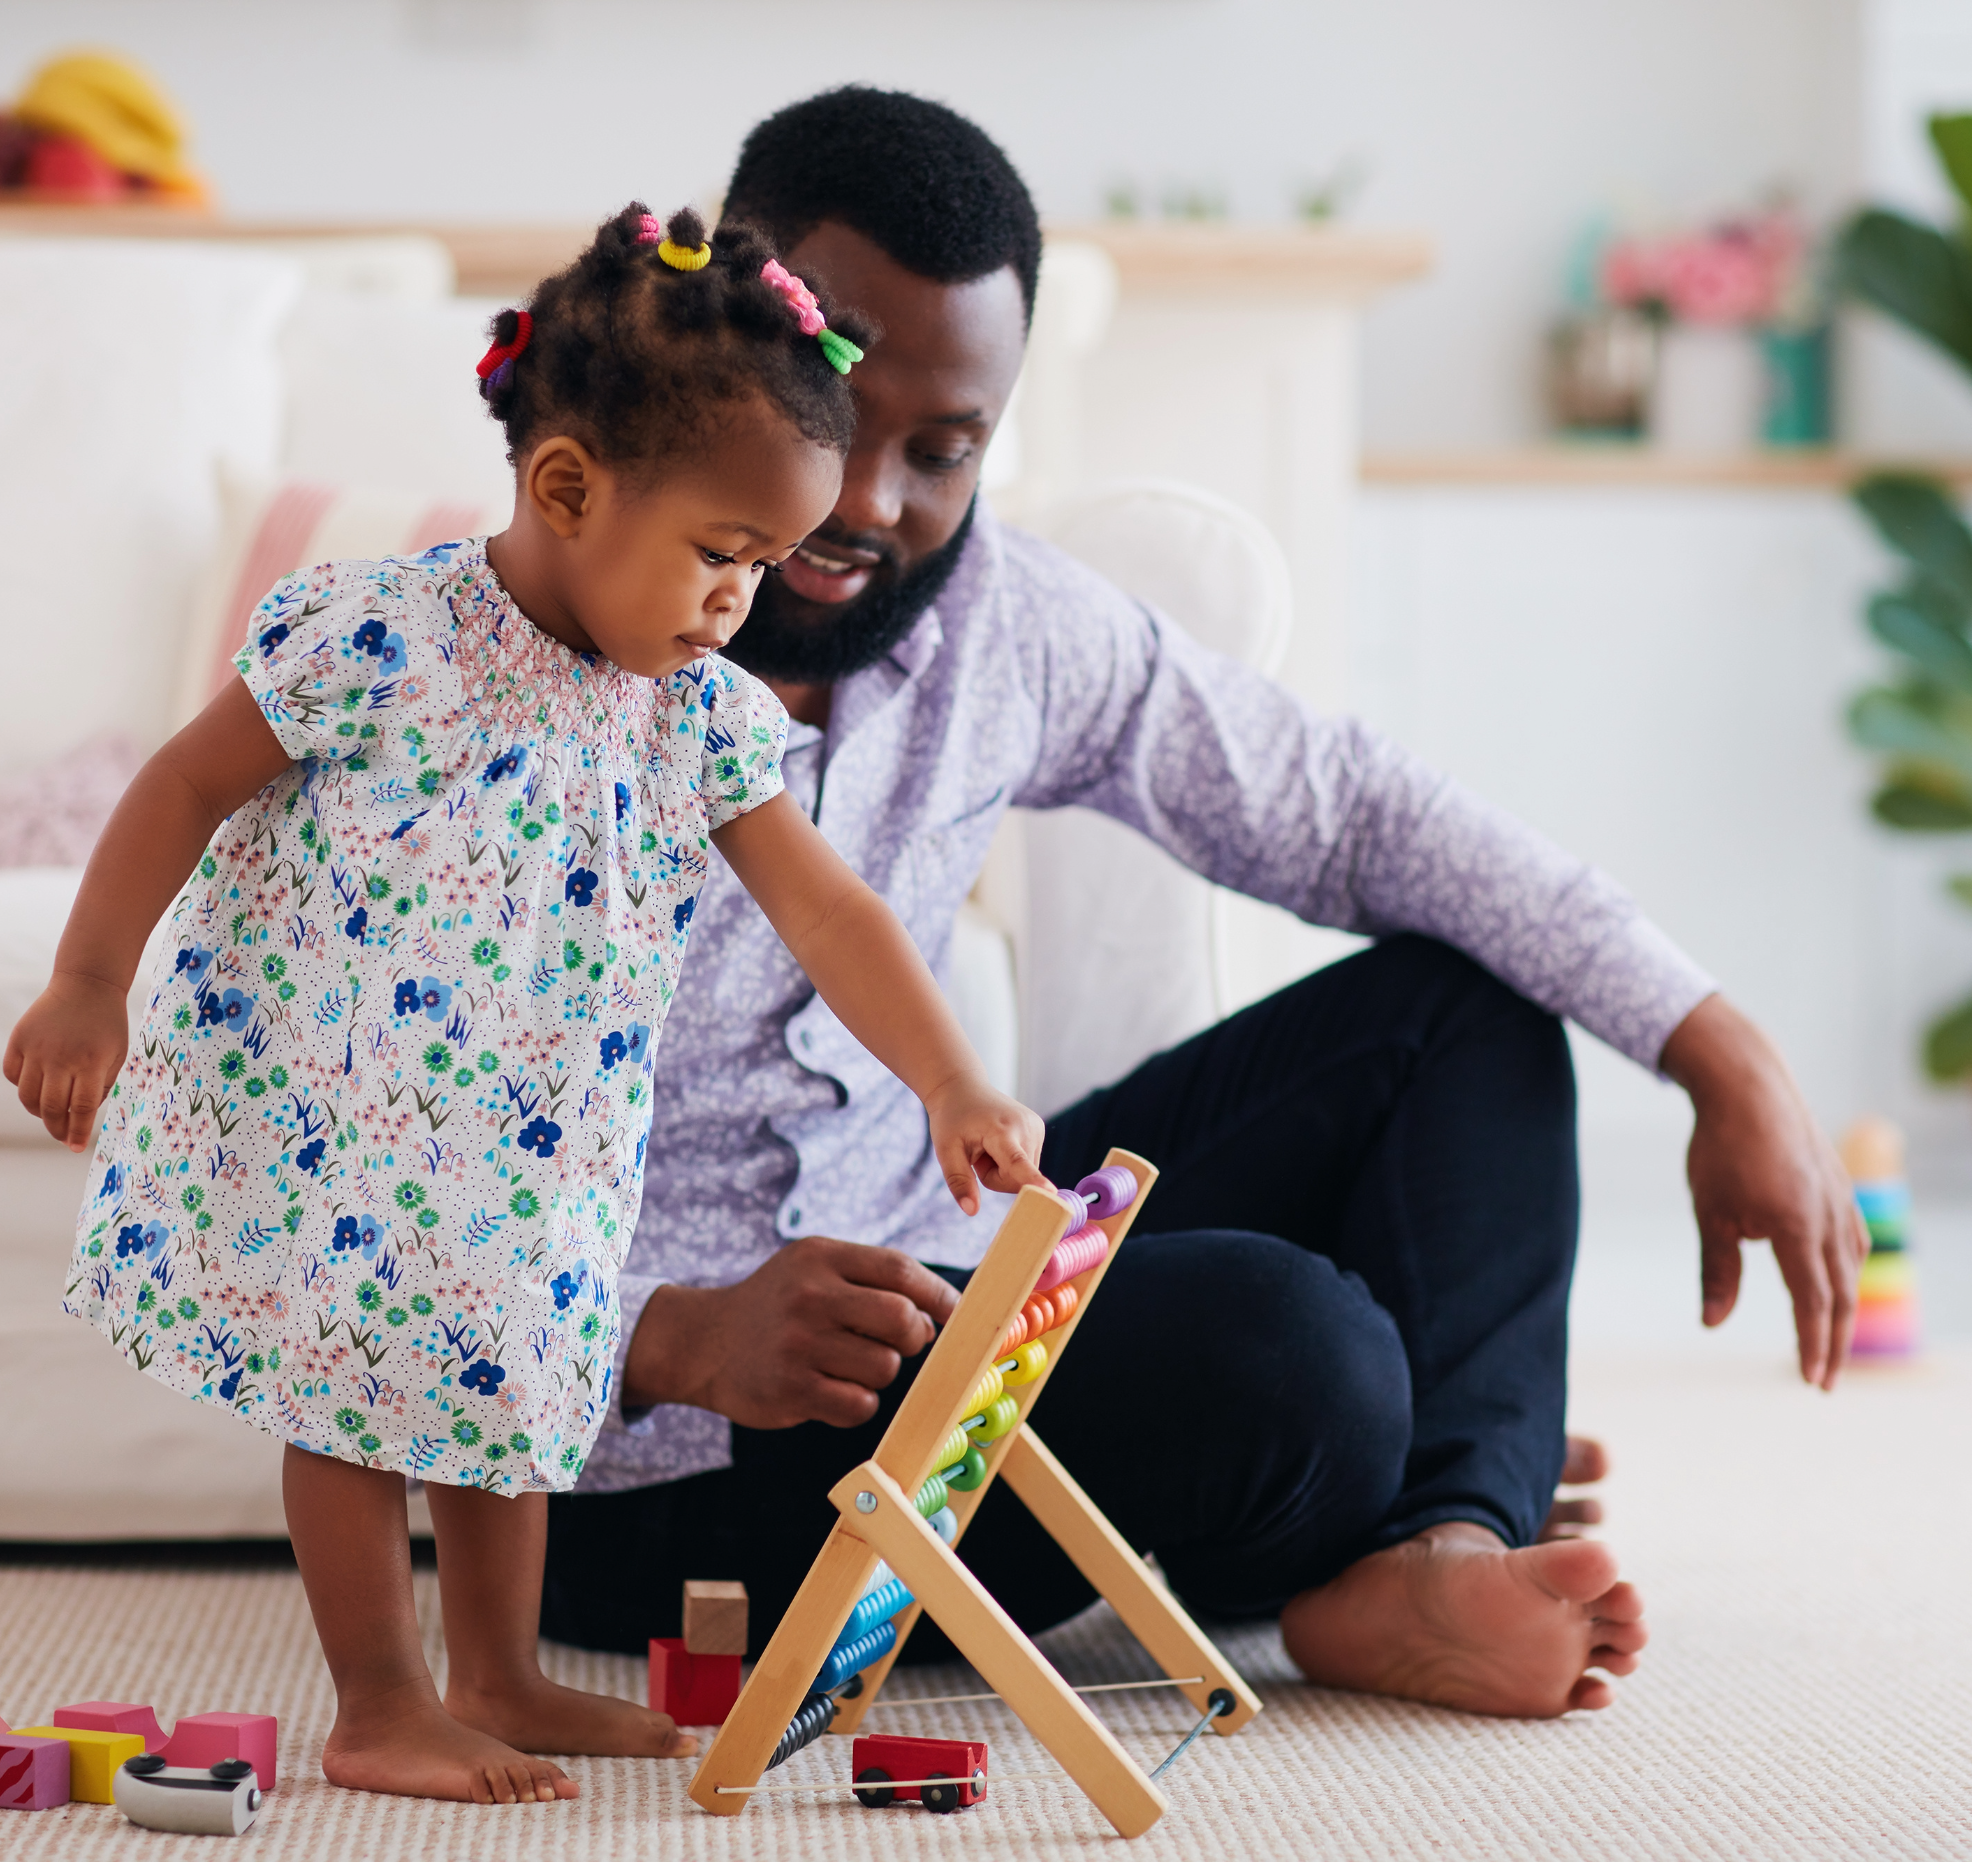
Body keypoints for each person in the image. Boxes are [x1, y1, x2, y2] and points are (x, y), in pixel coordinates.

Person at [535, 91, 1869, 1722]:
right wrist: (678, 1337)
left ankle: (1433, 1547)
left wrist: (1713, 1042)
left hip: (946, 1302)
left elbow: (1351, 808)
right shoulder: (508, 691)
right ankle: (1375, 1487)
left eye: (941, 449)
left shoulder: (1003, 626)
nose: (868, 502)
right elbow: (369, 1197)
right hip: (654, 1479)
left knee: (1466, 1011)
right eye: (836, 411)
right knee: (1291, 1355)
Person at [3, 203, 1052, 1804]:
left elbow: (827, 906)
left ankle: (497, 1670)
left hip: (537, 1131)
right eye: (720, 554)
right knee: (350, 1395)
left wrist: (952, 1082)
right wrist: (89, 982)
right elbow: (187, 780)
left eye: (765, 567)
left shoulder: (693, 712)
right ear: (567, 487)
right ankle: (381, 1701)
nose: (741, 604)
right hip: (340, 1102)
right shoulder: (387, 636)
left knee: (516, 1382)